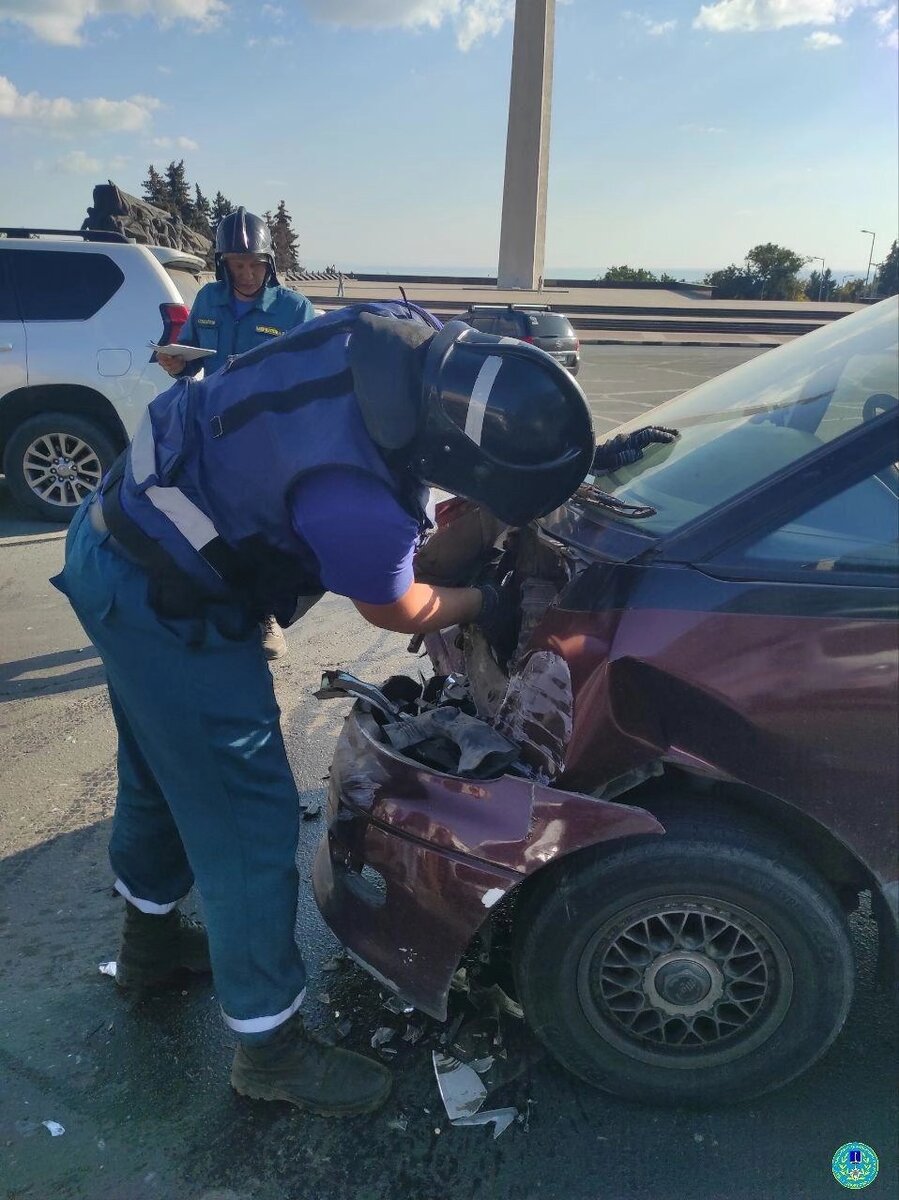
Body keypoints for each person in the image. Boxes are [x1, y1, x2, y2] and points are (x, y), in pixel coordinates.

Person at [51, 302, 594, 1117]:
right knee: (247, 819)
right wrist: (482, 599)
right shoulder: (354, 499)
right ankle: (269, 1053)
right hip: (163, 601)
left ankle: (150, 947)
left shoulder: (402, 333)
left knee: (162, 772)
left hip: (115, 537)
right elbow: (398, 607)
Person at [157, 206, 315, 661]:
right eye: (237, 265)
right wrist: (176, 363)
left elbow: (309, 375)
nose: (246, 274)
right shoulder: (208, 300)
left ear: (270, 265)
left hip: (267, 437)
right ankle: (205, 597)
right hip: (212, 428)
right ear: (223, 263)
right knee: (196, 516)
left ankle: (266, 615)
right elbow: (192, 358)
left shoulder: (294, 309)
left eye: (255, 265)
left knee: (263, 526)